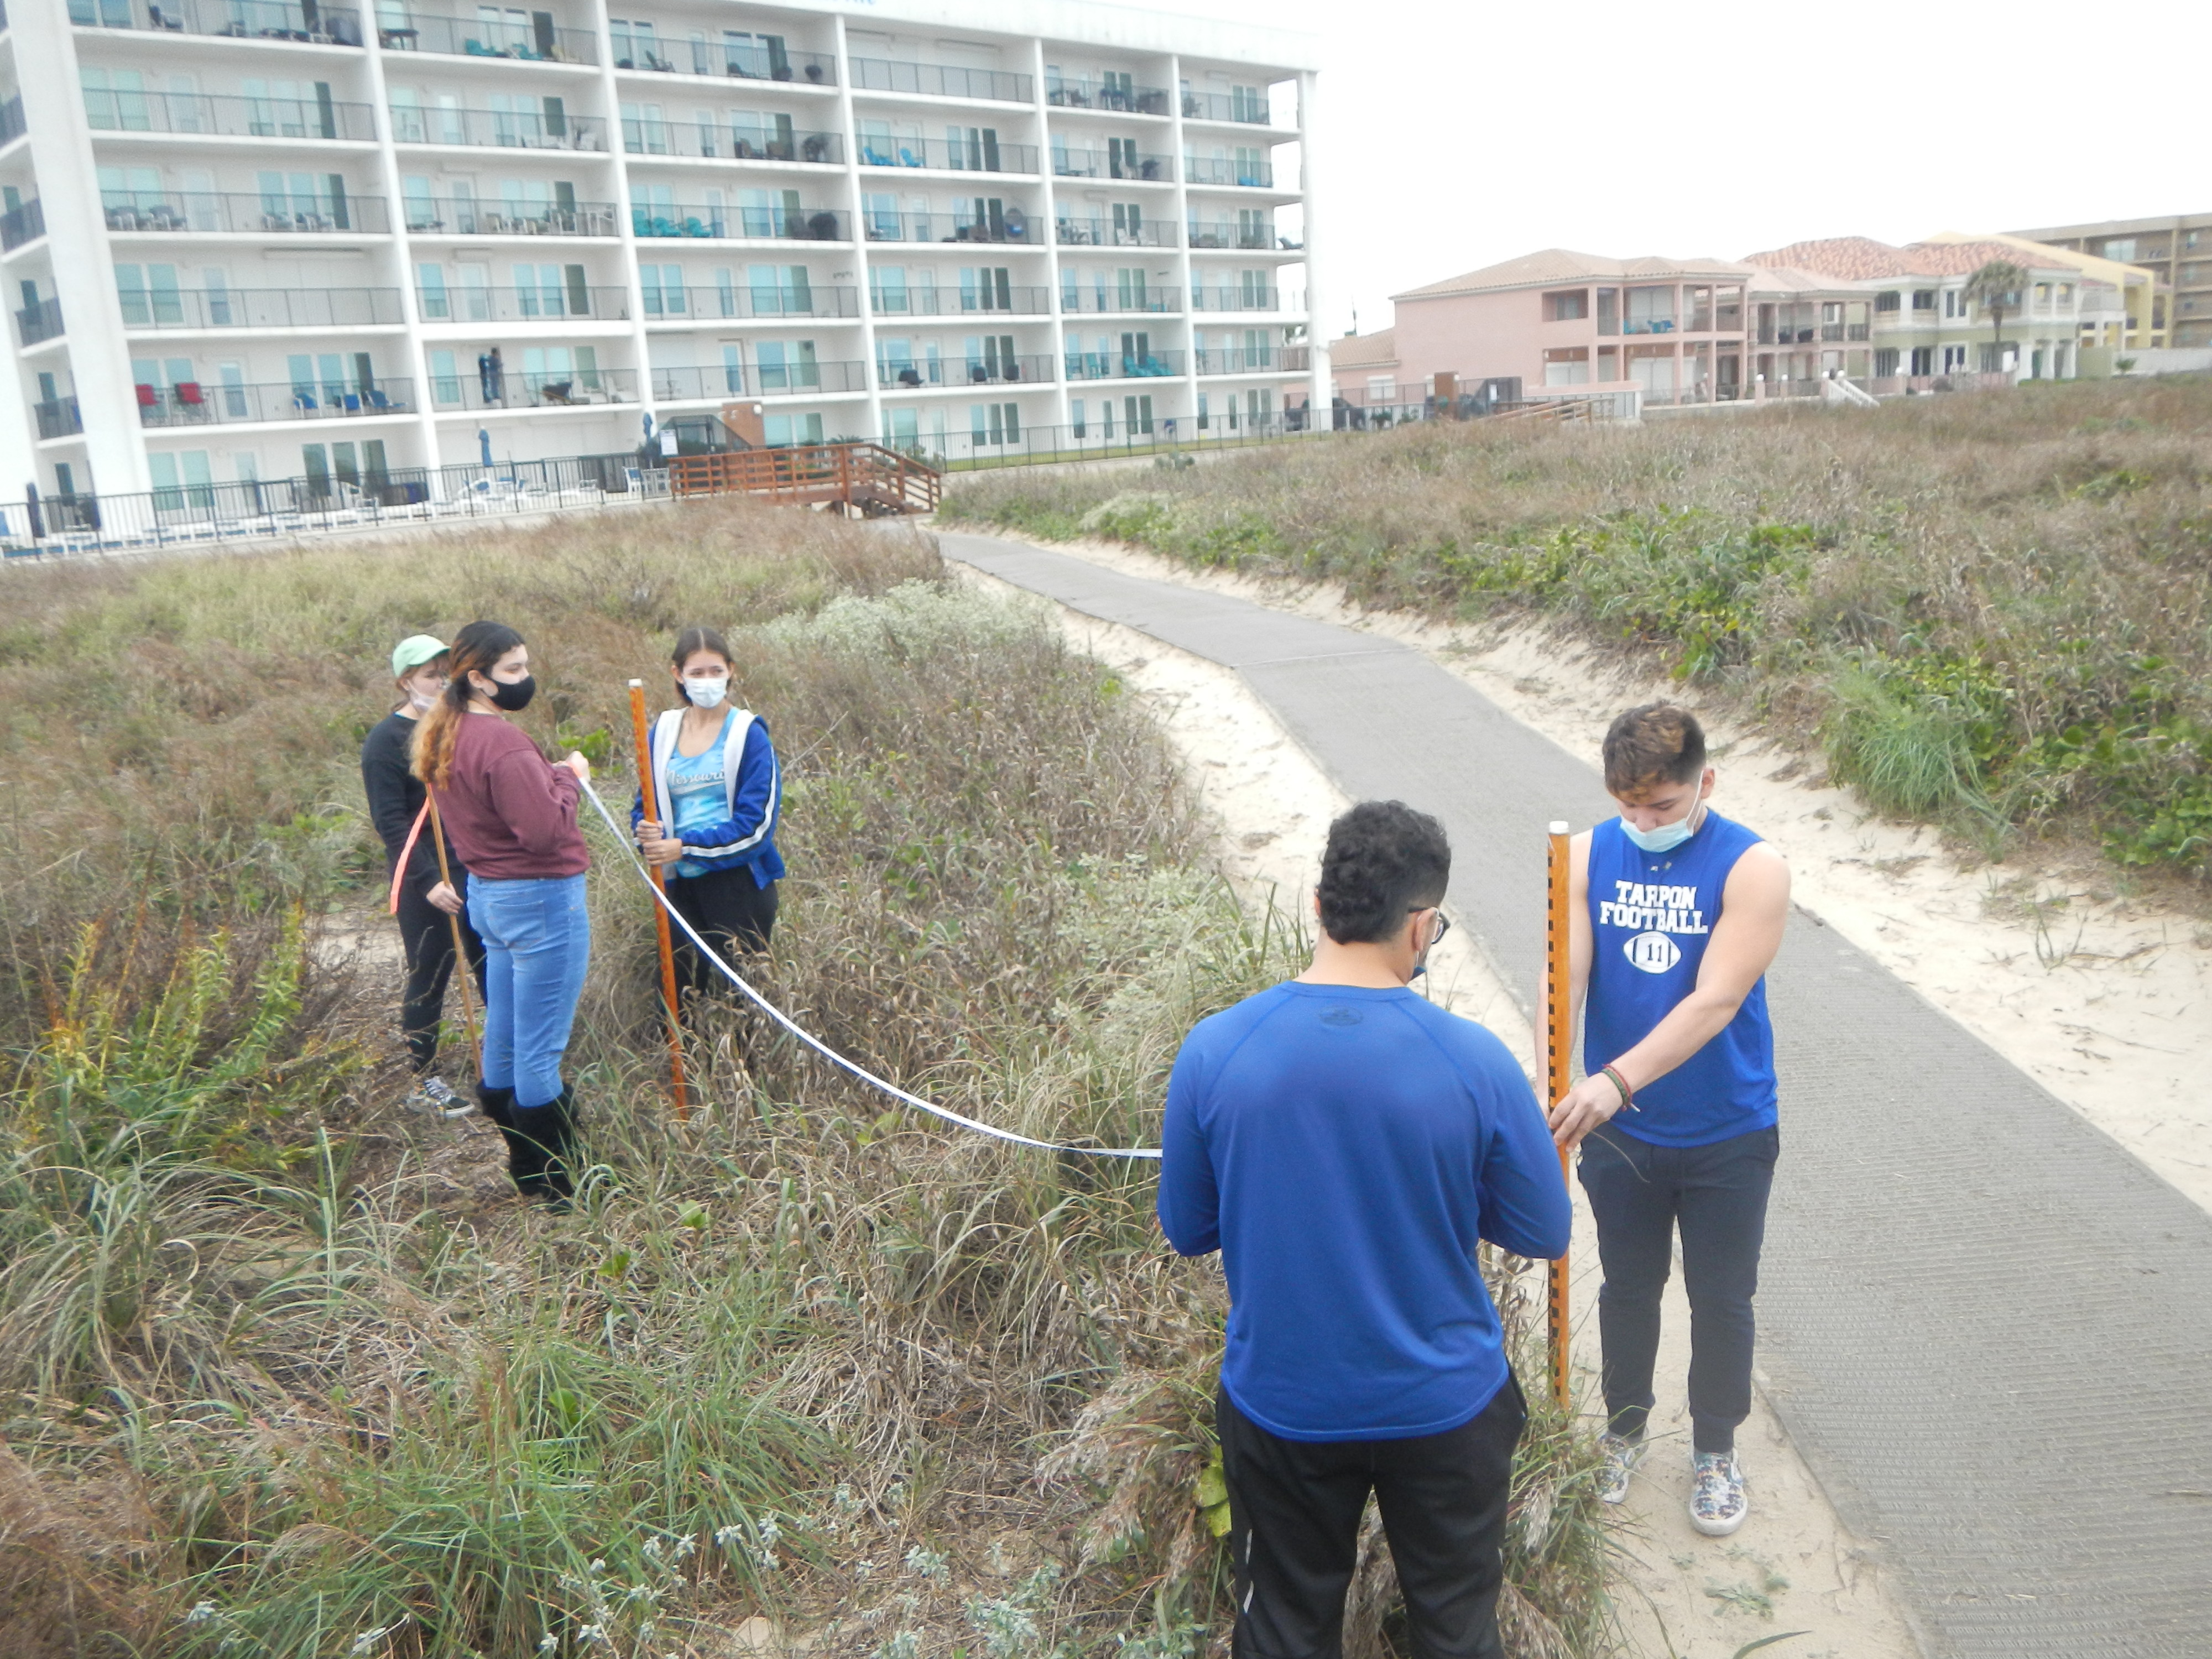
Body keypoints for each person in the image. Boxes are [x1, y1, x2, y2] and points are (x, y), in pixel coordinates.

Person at [1159, 801, 1571, 1659]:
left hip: (1284, 1399)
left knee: (1282, 1626)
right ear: (1421, 927)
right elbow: (1542, 1227)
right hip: (1447, 1404)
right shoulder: (1474, 1058)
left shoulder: (1215, 1050)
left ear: (1319, 906)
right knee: (1457, 1625)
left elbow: (1189, 1228)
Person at [1546, 703, 1790, 1537]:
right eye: (1629, 807)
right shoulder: (1582, 856)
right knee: (1629, 1284)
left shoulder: (1752, 867)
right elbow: (1566, 983)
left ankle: (1716, 1451)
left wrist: (1616, 1078)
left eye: (1663, 806)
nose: (1644, 824)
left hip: (1728, 1126)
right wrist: (1554, 1079)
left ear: (1705, 784)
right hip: (1624, 1136)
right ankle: (1623, 1430)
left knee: (1723, 1295)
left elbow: (1717, 998)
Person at [411, 620, 594, 1204]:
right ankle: (557, 1182)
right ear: (478, 678)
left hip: (491, 897)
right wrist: (570, 779)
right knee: (540, 1048)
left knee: (507, 1034)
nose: (525, 679)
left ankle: (526, 1165)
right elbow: (541, 832)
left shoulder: (447, 731)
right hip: (540, 898)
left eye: (524, 666)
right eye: (513, 670)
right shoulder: (503, 744)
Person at [359, 633, 486, 1115]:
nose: (440, 682)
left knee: (491, 965)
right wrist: (430, 882)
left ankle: (502, 1065)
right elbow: (390, 823)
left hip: (476, 866)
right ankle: (423, 1079)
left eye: (445, 673)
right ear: (405, 680)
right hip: (425, 877)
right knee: (429, 974)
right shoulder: (384, 741)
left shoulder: (461, 725)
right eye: (430, 674)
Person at [632, 625, 784, 998]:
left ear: (731, 670)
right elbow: (644, 803)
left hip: (737, 886)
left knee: (737, 996)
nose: (706, 681)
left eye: (715, 671)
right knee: (677, 991)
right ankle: (682, 1054)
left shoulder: (749, 734)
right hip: (677, 885)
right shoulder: (663, 731)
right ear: (678, 674)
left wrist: (684, 846)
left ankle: (742, 1059)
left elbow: (756, 828)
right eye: (697, 673)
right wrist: (645, 831)